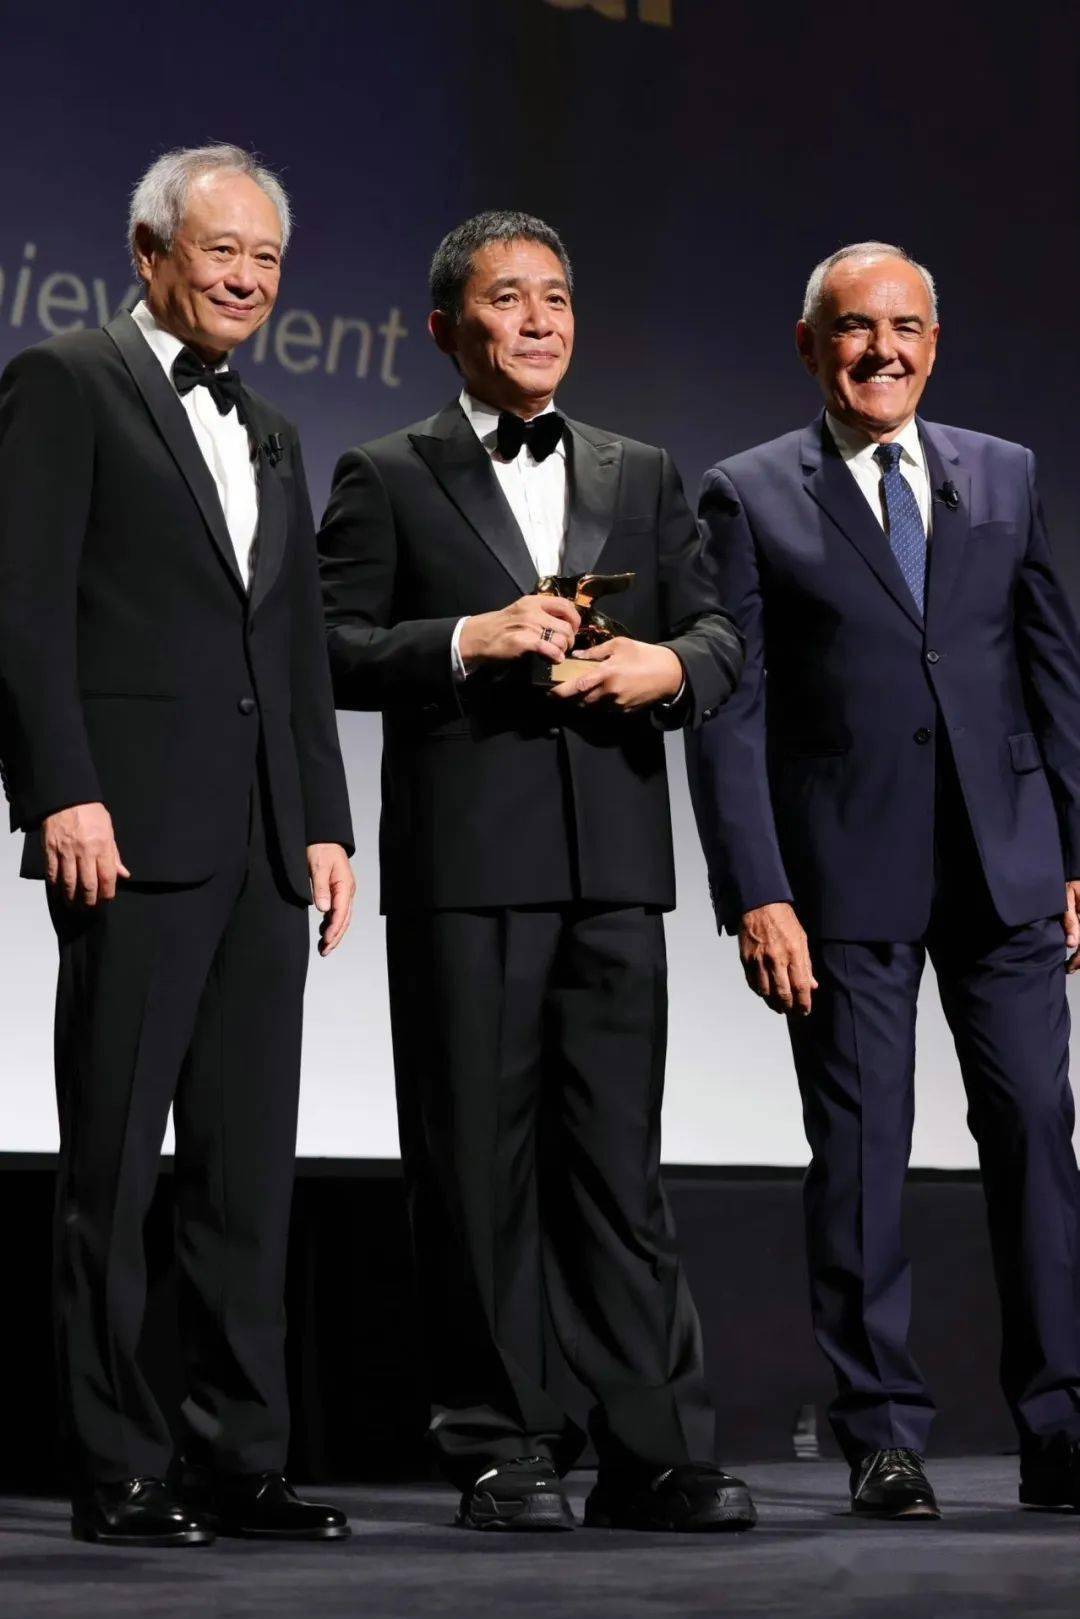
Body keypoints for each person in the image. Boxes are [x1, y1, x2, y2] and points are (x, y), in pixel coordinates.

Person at [318, 210, 753, 1533]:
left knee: (619, 1165)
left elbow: (719, 631)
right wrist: (467, 638)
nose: (540, 318)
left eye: (555, 295)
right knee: (477, 1168)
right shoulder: (386, 471)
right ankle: (501, 1444)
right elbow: (328, 645)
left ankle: (652, 1449)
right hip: (468, 870)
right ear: (446, 326)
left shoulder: (644, 468)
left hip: (615, 865)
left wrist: (666, 664)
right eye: (509, 297)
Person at [686, 240, 1080, 1519]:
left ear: (935, 342)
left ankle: (1062, 1423)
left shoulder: (1003, 473)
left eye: (906, 327)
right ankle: (882, 1434)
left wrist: (1074, 854)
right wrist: (757, 888)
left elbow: (1052, 668)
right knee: (861, 1155)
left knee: (1037, 1129)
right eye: (856, 328)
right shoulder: (749, 492)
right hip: (843, 874)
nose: (883, 350)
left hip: (1006, 867)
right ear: (811, 346)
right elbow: (729, 709)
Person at [0, 144, 355, 1547]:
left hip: (263, 844)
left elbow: (297, 645)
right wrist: (59, 791)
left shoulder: (273, 428)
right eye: (223, 252)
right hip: (129, 832)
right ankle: (115, 1463)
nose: (249, 280)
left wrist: (323, 820)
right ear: (151, 253)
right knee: (115, 1169)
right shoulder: (66, 380)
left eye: (267, 259)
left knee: (245, 1168)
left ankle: (240, 1457)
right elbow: (23, 608)